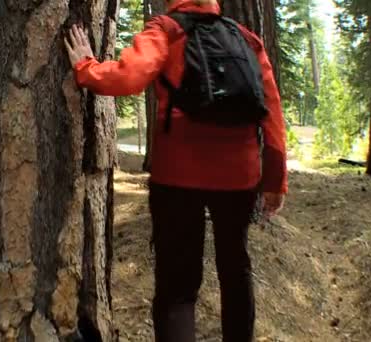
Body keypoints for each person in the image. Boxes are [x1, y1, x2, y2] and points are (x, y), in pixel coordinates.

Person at [65, 0, 287, 340]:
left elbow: (128, 77)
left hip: (178, 176)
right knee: (236, 270)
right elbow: (272, 113)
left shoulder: (166, 30)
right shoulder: (246, 38)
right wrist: (274, 179)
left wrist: (85, 67)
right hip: (240, 176)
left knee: (177, 285)